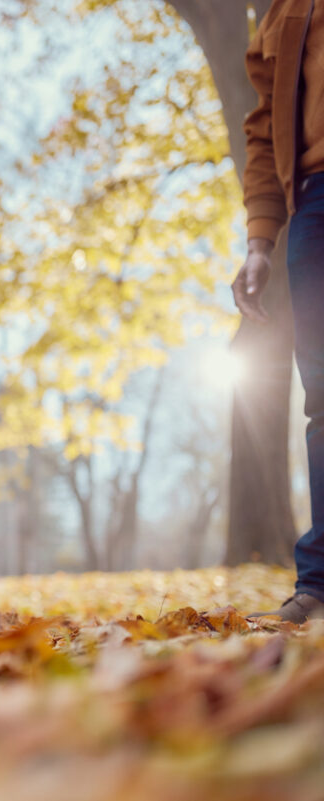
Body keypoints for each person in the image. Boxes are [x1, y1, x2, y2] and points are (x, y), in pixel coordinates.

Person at [236, 0, 324, 622]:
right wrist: (259, 240)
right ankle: (321, 585)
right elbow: (265, 127)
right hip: (315, 203)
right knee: (323, 395)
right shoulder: (282, 10)